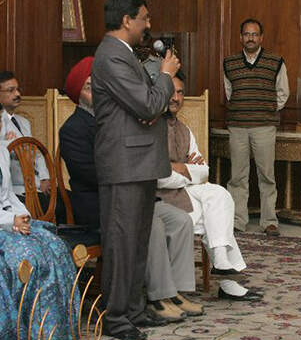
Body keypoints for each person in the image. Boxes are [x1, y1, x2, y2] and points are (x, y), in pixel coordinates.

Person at [60, 57, 203, 325]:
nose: (97, 92)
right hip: (99, 203)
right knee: (153, 224)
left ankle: (177, 292)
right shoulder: (72, 129)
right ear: (78, 95)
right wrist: (132, 171)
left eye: (99, 86)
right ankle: (159, 298)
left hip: (133, 195)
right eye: (89, 87)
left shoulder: (112, 120)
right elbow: (92, 175)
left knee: (180, 220)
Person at [92, 0, 178, 340]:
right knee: (122, 244)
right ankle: (116, 318)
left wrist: (151, 103)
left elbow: (148, 106)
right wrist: (166, 75)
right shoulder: (111, 56)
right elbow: (148, 105)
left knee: (138, 242)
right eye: (144, 18)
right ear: (127, 20)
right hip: (124, 164)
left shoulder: (126, 54)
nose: (148, 25)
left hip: (138, 162)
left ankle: (133, 310)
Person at [156, 71, 263, 301]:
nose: (176, 98)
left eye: (180, 92)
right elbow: (159, 178)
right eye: (171, 92)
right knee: (214, 218)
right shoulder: (150, 128)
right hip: (158, 198)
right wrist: (187, 169)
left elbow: (204, 170)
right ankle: (227, 281)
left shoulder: (184, 130)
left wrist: (179, 168)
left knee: (219, 194)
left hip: (183, 193)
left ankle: (222, 263)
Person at [0, 110, 80, 340]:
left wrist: (22, 215)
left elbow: (8, 196)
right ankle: (27, 332)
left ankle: (56, 333)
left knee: (56, 246)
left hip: (9, 220)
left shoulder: (2, 151)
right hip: (3, 224)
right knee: (28, 255)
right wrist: (10, 221)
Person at [223, 18, 289, 236]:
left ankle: (269, 221)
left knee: (266, 176)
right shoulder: (229, 63)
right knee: (237, 177)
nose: (250, 38)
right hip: (238, 127)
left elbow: (283, 93)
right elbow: (229, 93)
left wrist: (267, 110)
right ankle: (237, 220)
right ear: (241, 37)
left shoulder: (275, 61)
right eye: (246, 34)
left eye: (254, 34)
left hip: (264, 127)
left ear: (261, 38)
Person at [0, 71, 66, 220]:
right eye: (10, 90)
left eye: (18, 89)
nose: (17, 94)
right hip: (17, 190)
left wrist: (44, 177)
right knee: (53, 208)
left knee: (66, 199)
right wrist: (5, 142)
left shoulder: (24, 122)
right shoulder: (1, 124)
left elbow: (36, 154)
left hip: (37, 185)